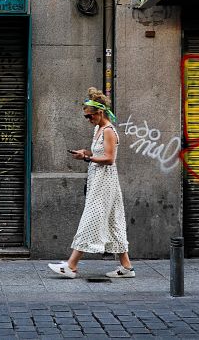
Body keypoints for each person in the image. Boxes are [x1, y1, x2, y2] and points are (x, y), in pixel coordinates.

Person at [48, 87, 135, 279]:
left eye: (90, 116)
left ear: (100, 112)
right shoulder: (98, 129)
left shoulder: (109, 131)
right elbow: (99, 154)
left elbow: (110, 159)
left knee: (90, 219)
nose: (88, 120)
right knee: (113, 221)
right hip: (98, 180)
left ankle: (71, 265)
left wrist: (87, 159)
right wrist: (87, 153)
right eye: (86, 117)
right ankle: (126, 267)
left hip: (105, 182)